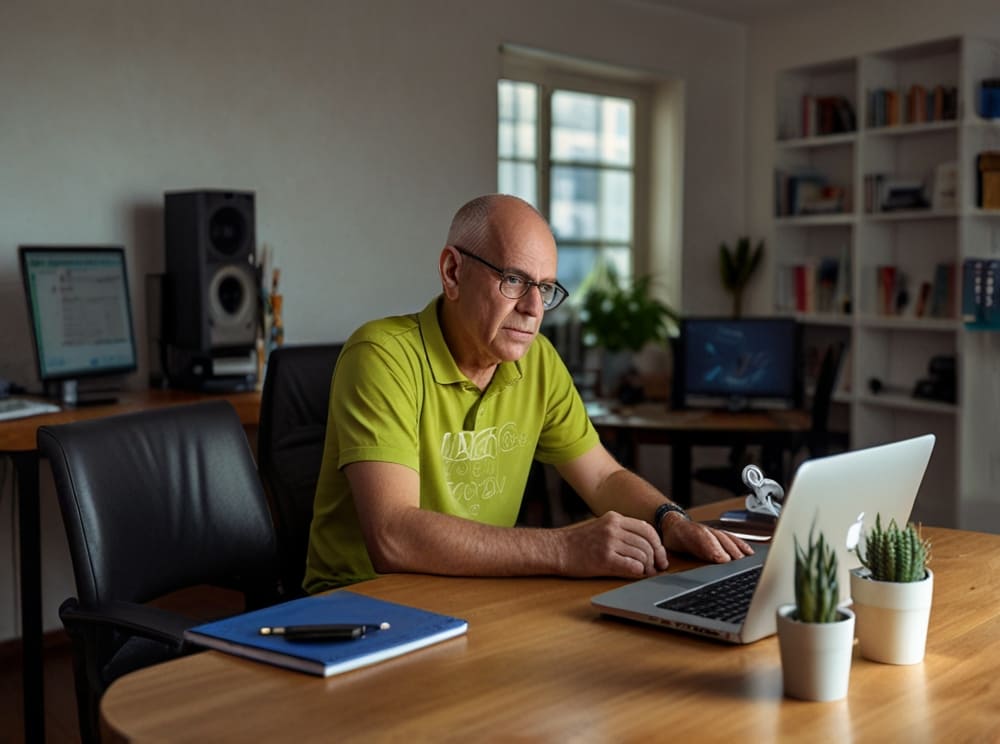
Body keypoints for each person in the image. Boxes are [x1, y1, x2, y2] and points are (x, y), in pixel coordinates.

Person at [303, 194, 752, 593]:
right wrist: (562, 548)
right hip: (356, 607)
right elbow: (392, 535)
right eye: (514, 280)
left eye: (546, 288)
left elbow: (602, 479)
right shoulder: (381, 356)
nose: (534, 309)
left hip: (476, 596)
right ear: (452, 272)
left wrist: (670, 521)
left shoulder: (537, 361)